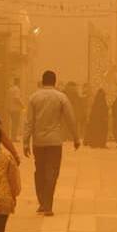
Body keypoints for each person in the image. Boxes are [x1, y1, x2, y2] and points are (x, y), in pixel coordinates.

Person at [24, 70, 80, 216]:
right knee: (52, 173)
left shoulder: (33, 98)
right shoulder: (61, 97)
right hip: (55, 141)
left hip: (38, 142)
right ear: (55, 82)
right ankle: (47, 204)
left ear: (42, 81)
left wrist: (25, 142)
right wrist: (76, 137)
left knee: (40, 171)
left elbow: (29, 122)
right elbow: (70, 118)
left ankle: (42, 202)